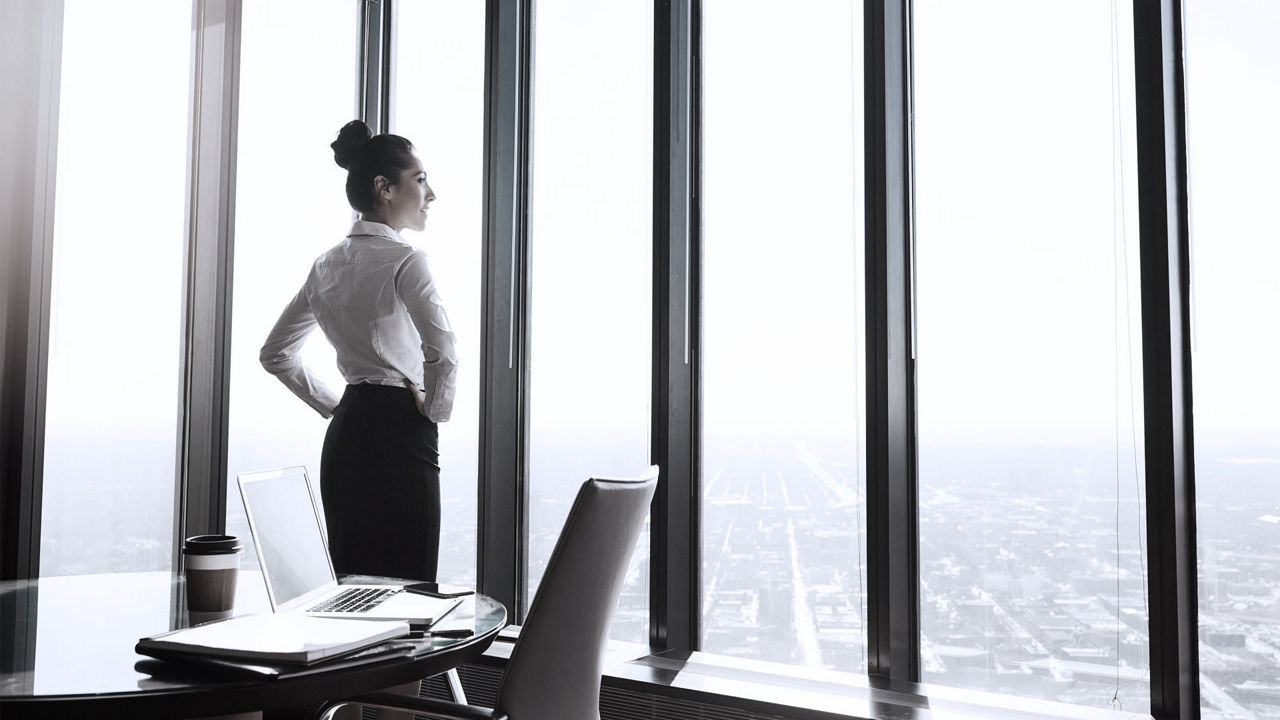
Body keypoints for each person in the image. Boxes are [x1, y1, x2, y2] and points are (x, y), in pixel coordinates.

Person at [260, 119, 456, 584]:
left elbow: (276, 355)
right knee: (411, 590)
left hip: (347, 435)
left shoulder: (326, 264)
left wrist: (336, 406)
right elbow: (442, 348)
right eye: (421, 180)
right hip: (402, 430)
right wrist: (435, 409)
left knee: (354, 591)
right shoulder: (406, 259)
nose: (432, 194)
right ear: (384, 187)